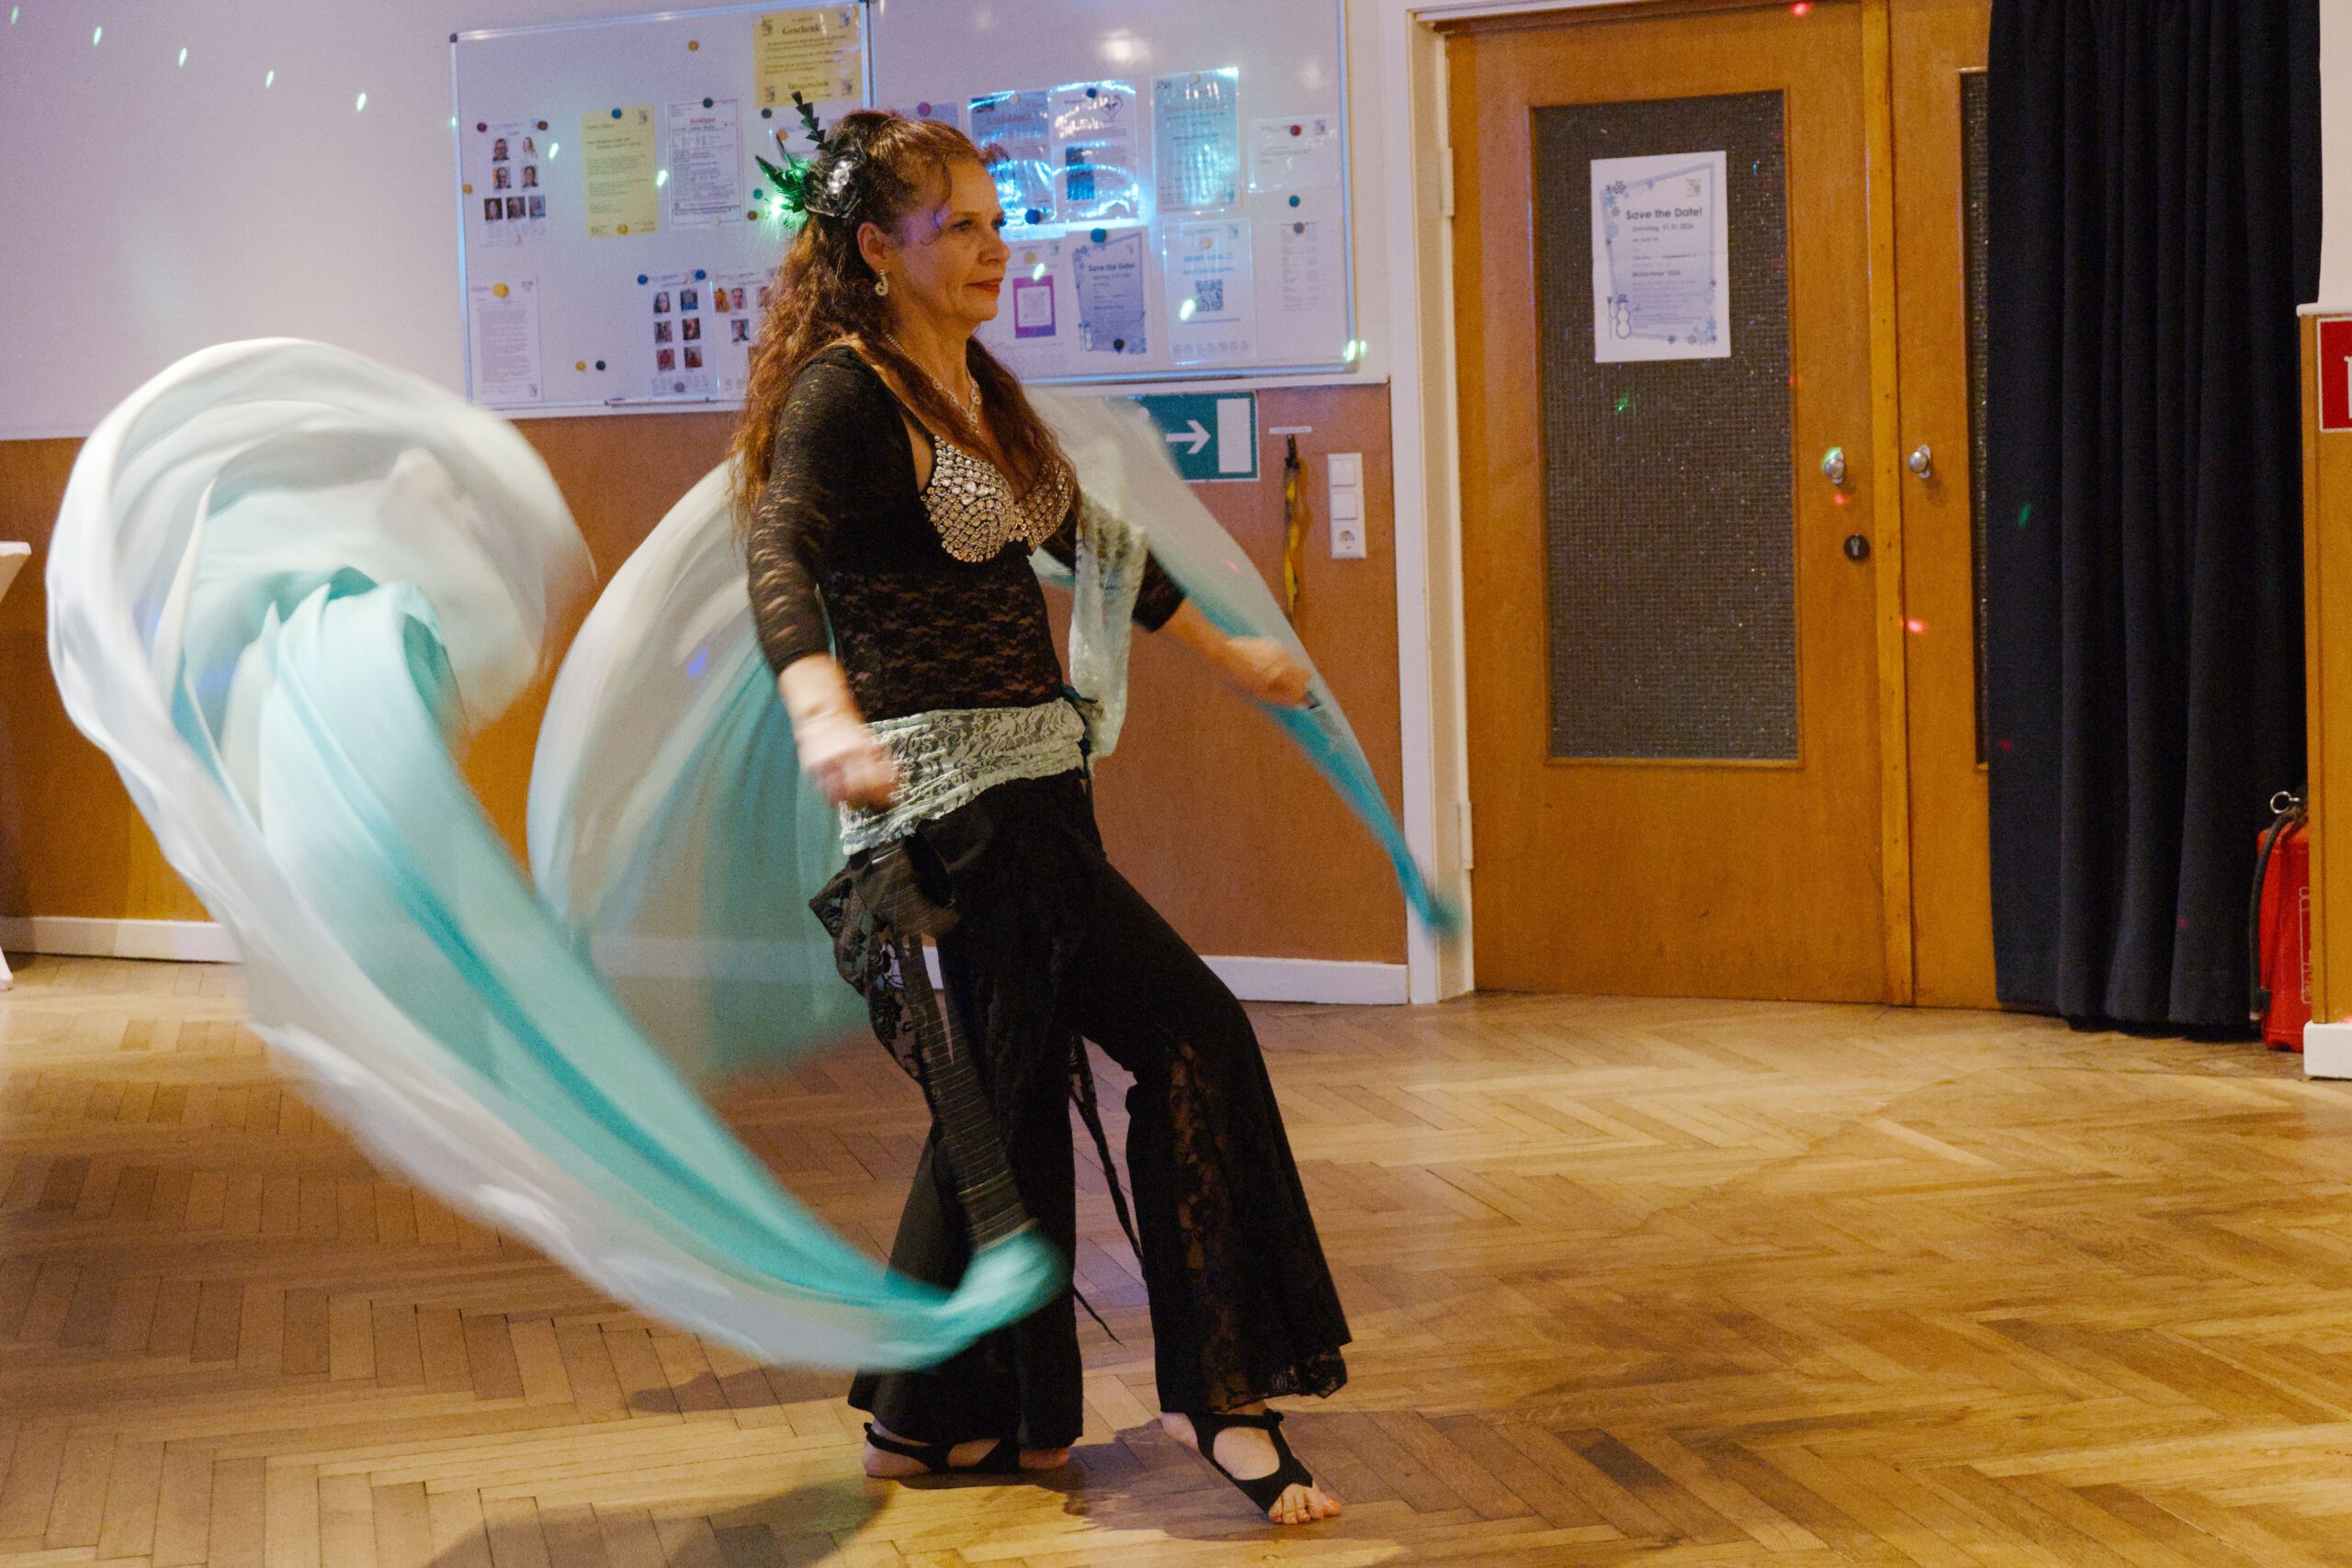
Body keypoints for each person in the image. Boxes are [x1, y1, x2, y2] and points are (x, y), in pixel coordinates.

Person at [730, 109, 1349, 1527]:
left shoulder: (979, 392)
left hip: (1040, 803)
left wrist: (1234, 655)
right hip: (944, 825)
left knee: (1015, 1101)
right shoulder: (844, 397)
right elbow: (781, 553)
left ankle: (936, 1422)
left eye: (997, 224)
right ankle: (1222, 1405)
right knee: (1163, 1043)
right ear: (876, 249)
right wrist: (821, 711)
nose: (994, 250)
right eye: (959, 226)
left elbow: (1094, 547)